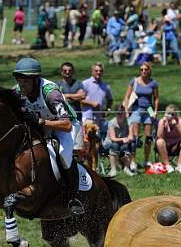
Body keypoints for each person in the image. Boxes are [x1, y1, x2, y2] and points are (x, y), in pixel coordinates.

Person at [11, 57, 84, 215]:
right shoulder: (17, 92)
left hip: (63, 126)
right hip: (40, 125)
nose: (21, 84)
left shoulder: (51, 93)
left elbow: (67, 125)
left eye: (25, 80)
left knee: (64, 155)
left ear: (35, 80)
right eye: (19, 79)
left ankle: (73, 198)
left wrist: (40, 122)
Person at [122, 62, 159, 170]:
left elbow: (156, 98)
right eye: (141, 69)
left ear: (149, 70)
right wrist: (126, 109)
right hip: (136, 109)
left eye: (145, 69)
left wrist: (155, 112)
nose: (143, 71)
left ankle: (146, 160)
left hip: (149, 109)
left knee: (148, 137)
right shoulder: (134, 81)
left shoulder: (153, 83)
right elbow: (127, 96)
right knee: (135, 137)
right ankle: (133, 161)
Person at [56, 62, 86, 159]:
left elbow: (82, 96)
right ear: (61, 72)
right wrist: (74, 96)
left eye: (70, 70)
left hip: (77, 120)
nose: (67, 72)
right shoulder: (57, 84)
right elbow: (57, 97)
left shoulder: (78, 83)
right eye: (65, 70)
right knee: (64, 148)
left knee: (78, 147)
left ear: (73, 71)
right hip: (62, 121)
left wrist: (65, 96)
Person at [156, 104, 181, 174]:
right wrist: (163, 124)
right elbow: (159, 136)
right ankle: (168, 165)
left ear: (176, 114)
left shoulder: (180, 121)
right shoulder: (162, 121)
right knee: (159, 141)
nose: (170, 116)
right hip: (166, 146)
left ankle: (179, 166)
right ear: (165, 113)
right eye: (168, 113)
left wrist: (176, 125)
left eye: (172, 114)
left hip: (177, 145)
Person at [103, 105, 136, 177]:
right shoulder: (112, 122)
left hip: (123, 142)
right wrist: (123, 139)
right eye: (118, 113)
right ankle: (113, 169)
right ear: (115, 114)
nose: (120, 115)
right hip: (110, 142)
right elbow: (112, 138)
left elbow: (131, 135)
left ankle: (127, 168)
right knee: (115, 145)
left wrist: (129, 139)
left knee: (132, 144)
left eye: (121, 113)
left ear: (124, 113)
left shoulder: (129, 121)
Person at [81, 62, 113, 127]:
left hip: (100, 118)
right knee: (88, 136)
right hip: (87, 117)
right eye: (96, 71)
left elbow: (110, 99)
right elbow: (79, 100)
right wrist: (92, 103)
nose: (98, 72)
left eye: (100, 71)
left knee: (99, 136)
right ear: (92, 71)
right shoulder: (85, 83)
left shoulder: (105, 86)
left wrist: (108, 109)